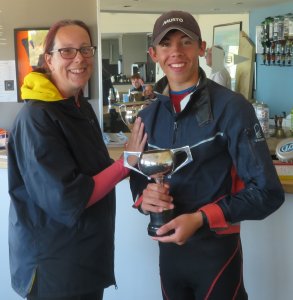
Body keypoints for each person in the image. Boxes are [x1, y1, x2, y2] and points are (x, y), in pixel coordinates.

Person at [129, 10, 284, 300]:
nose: (176, 51)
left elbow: (268, 193)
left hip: (216, 255)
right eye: (166, 44)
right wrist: (143, 200)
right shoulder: (148, 116)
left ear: (201, 48)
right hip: (168, 256)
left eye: (186, 41)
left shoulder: (232, 108)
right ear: (153, 53)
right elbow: (138, 180)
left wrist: (201, 218)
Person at [7, 19, 147, 300]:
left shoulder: (80, 107)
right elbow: (67, 198)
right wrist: (126, 163)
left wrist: (141, 175)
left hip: (85, 257)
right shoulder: (37, 117)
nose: (79, 58)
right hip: (55, 266)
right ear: (48, 59)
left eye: (85, 49)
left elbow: (97, 171)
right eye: (67, 51)